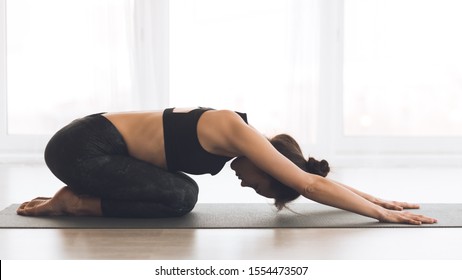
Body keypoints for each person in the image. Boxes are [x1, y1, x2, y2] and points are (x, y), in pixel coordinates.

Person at [17, 107, 437, 225]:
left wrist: (382, 200)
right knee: (183, 195)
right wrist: (382, 215)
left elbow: (309, 179)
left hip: (95, 150)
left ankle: (79, 198)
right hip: (81, 148)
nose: (246, 186)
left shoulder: (241, 137)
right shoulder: (231, 128)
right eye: (260, 187)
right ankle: (74, 204)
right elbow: (308, 185)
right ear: (269, 168)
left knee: (182, 193)